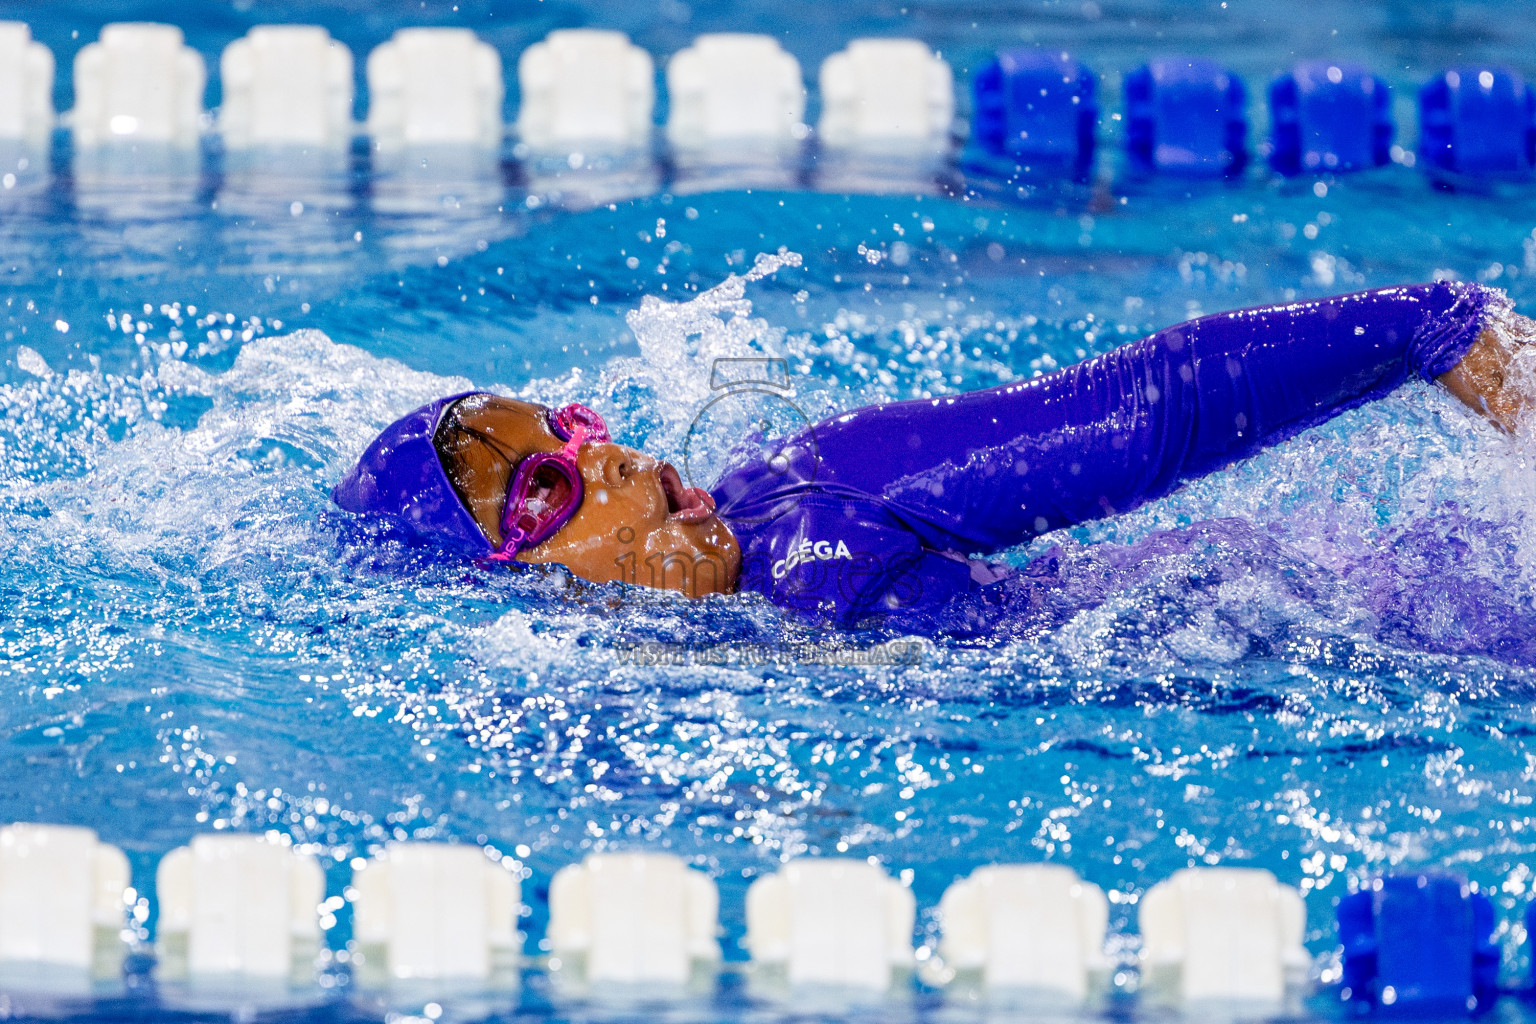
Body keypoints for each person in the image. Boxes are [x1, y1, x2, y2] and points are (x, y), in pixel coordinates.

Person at [332, 281, 1533, 628]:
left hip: (1414, 628)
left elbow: (1137, 413)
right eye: (553, 484)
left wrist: (1430, 332)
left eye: (583, 429)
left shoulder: (822, 499)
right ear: (495, 581)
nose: (627, 461)